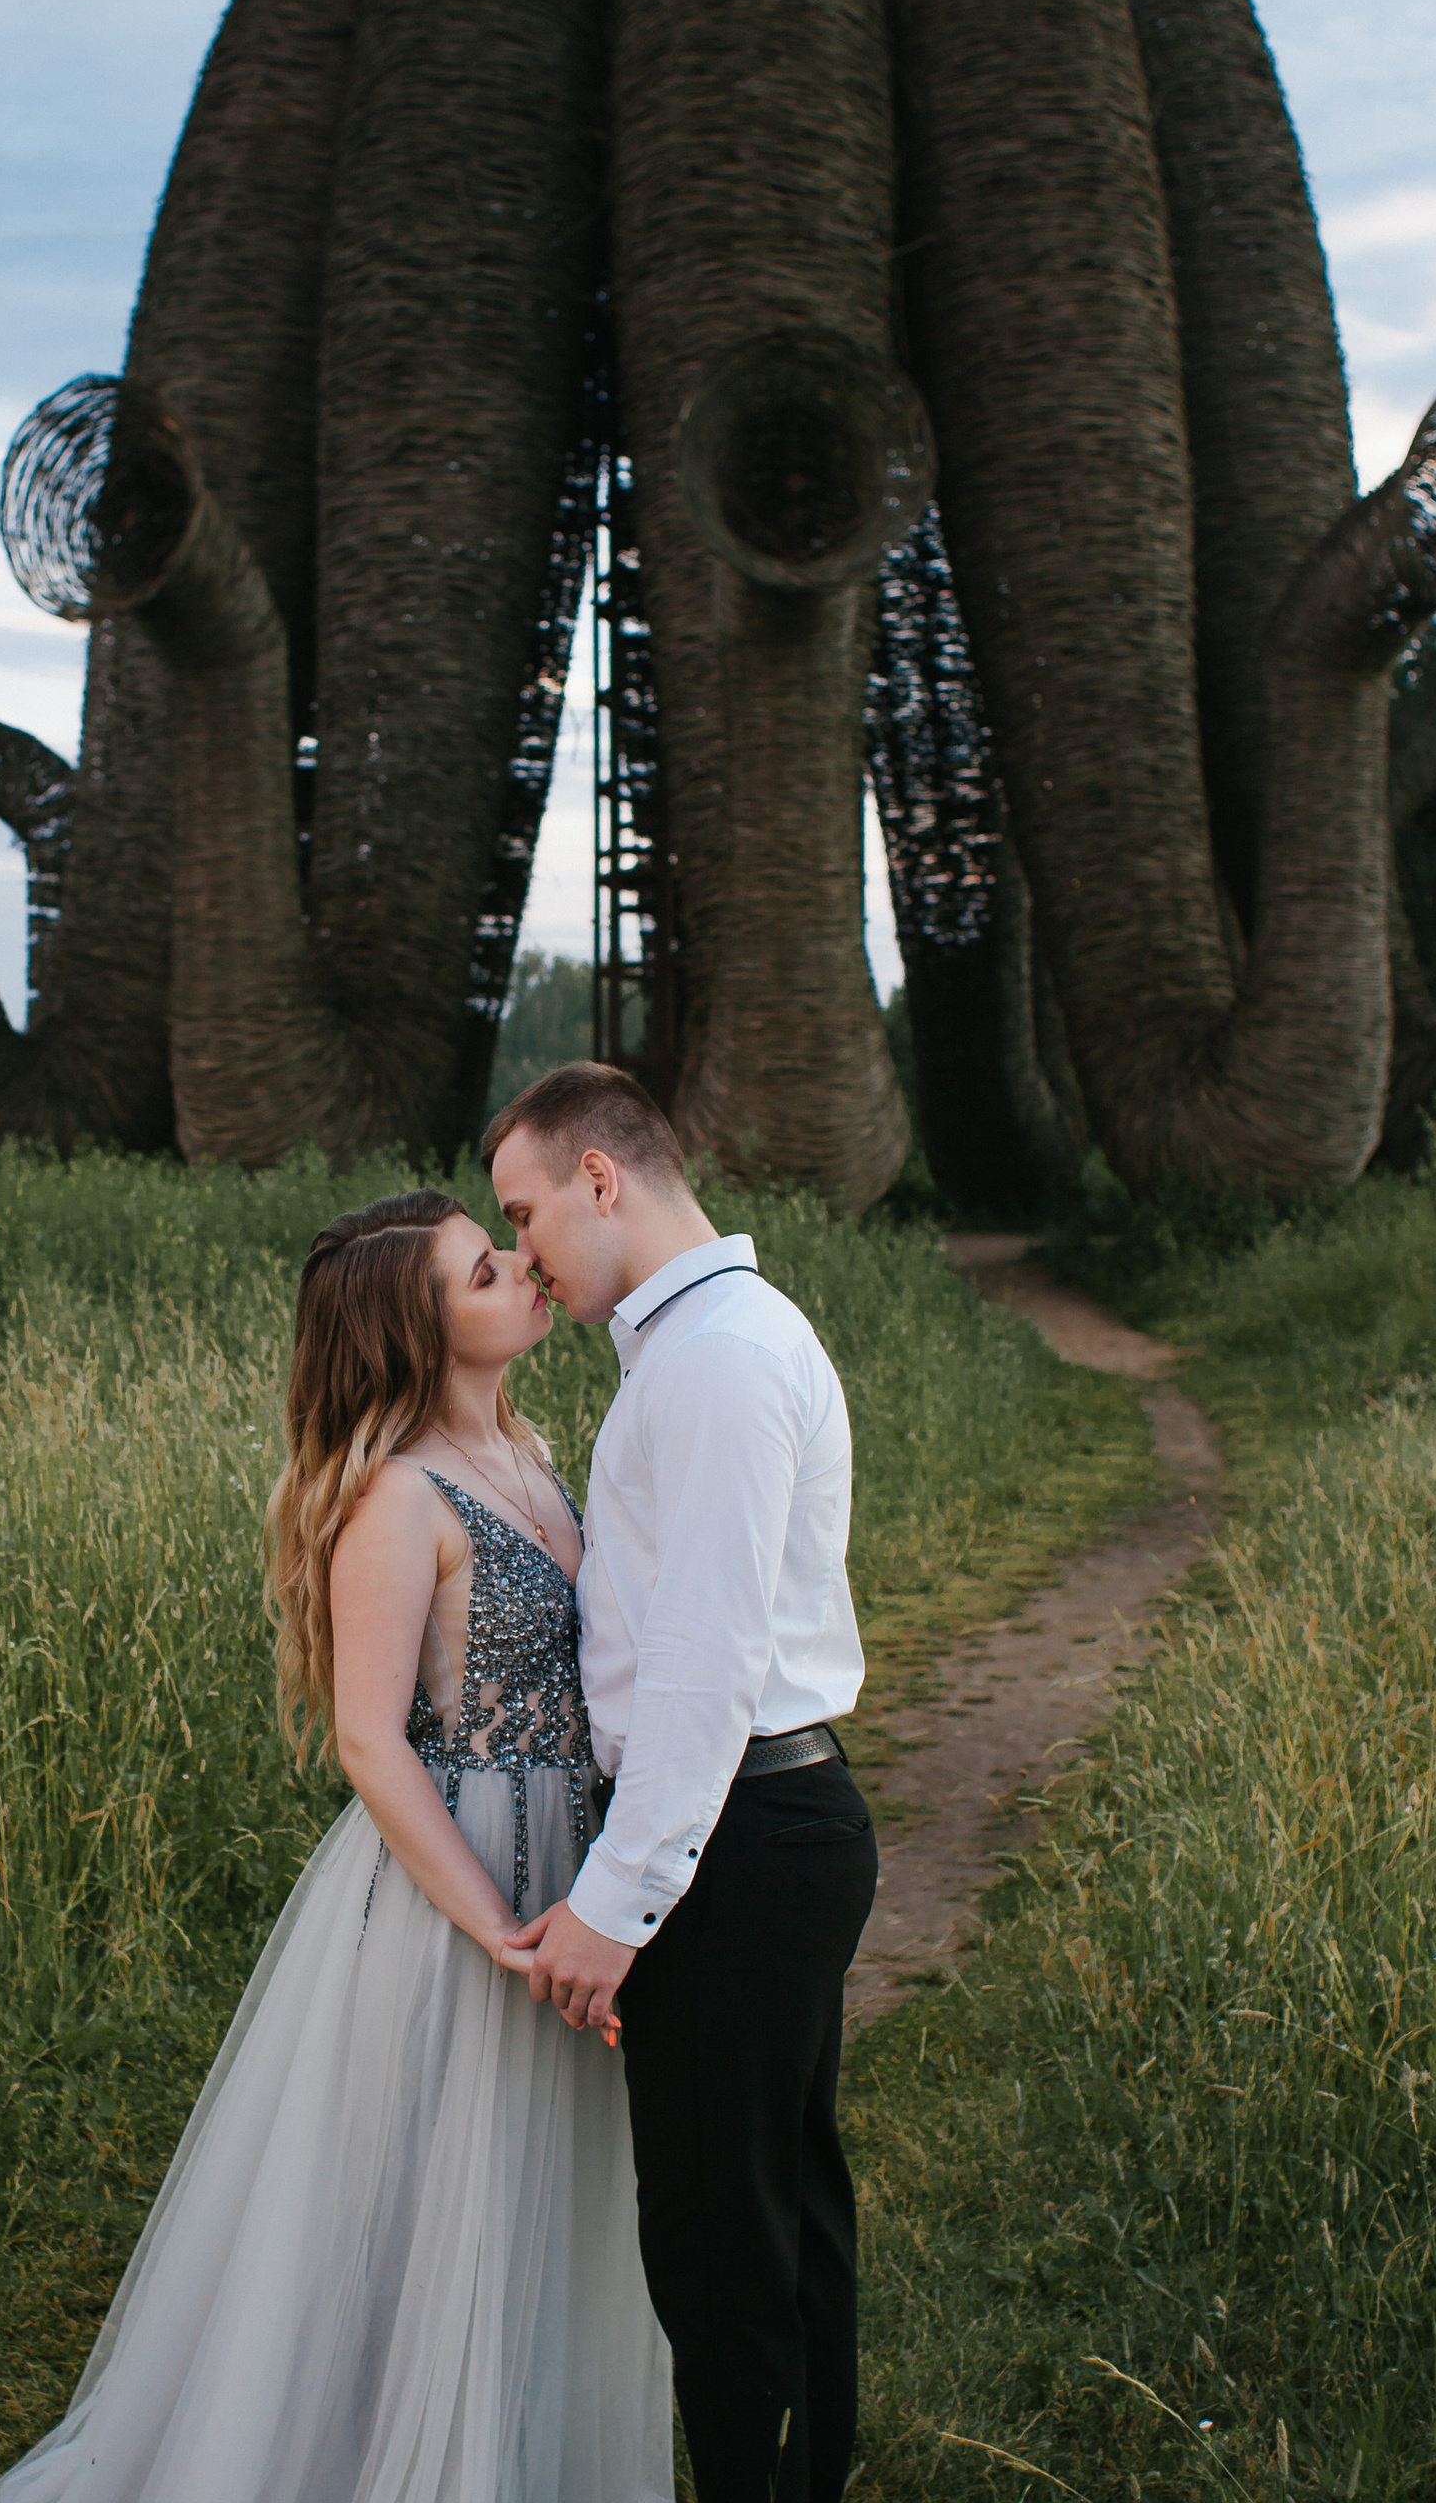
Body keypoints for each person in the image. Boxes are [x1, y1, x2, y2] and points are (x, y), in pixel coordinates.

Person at [0, 1189, 672, 2503]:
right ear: (419, 1337)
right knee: (430, 2202)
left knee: (540, 2195)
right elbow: (368, 1742)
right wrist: (496, 1930)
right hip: (466, 1884)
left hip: (568, 1851)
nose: (522, 1265)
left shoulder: (527, 1447)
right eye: (482, 1269)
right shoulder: (397, 1502)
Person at [488, 1065, 879, 2503]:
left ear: (602, 1179)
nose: (521, 1248)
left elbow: (707, 1667)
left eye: (525, 1211)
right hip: (760, 1823)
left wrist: (617, 1901)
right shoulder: (698, 1344)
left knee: (723, 2247)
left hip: (739, 1833)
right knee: (772, 2216)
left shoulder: (716, 1354)